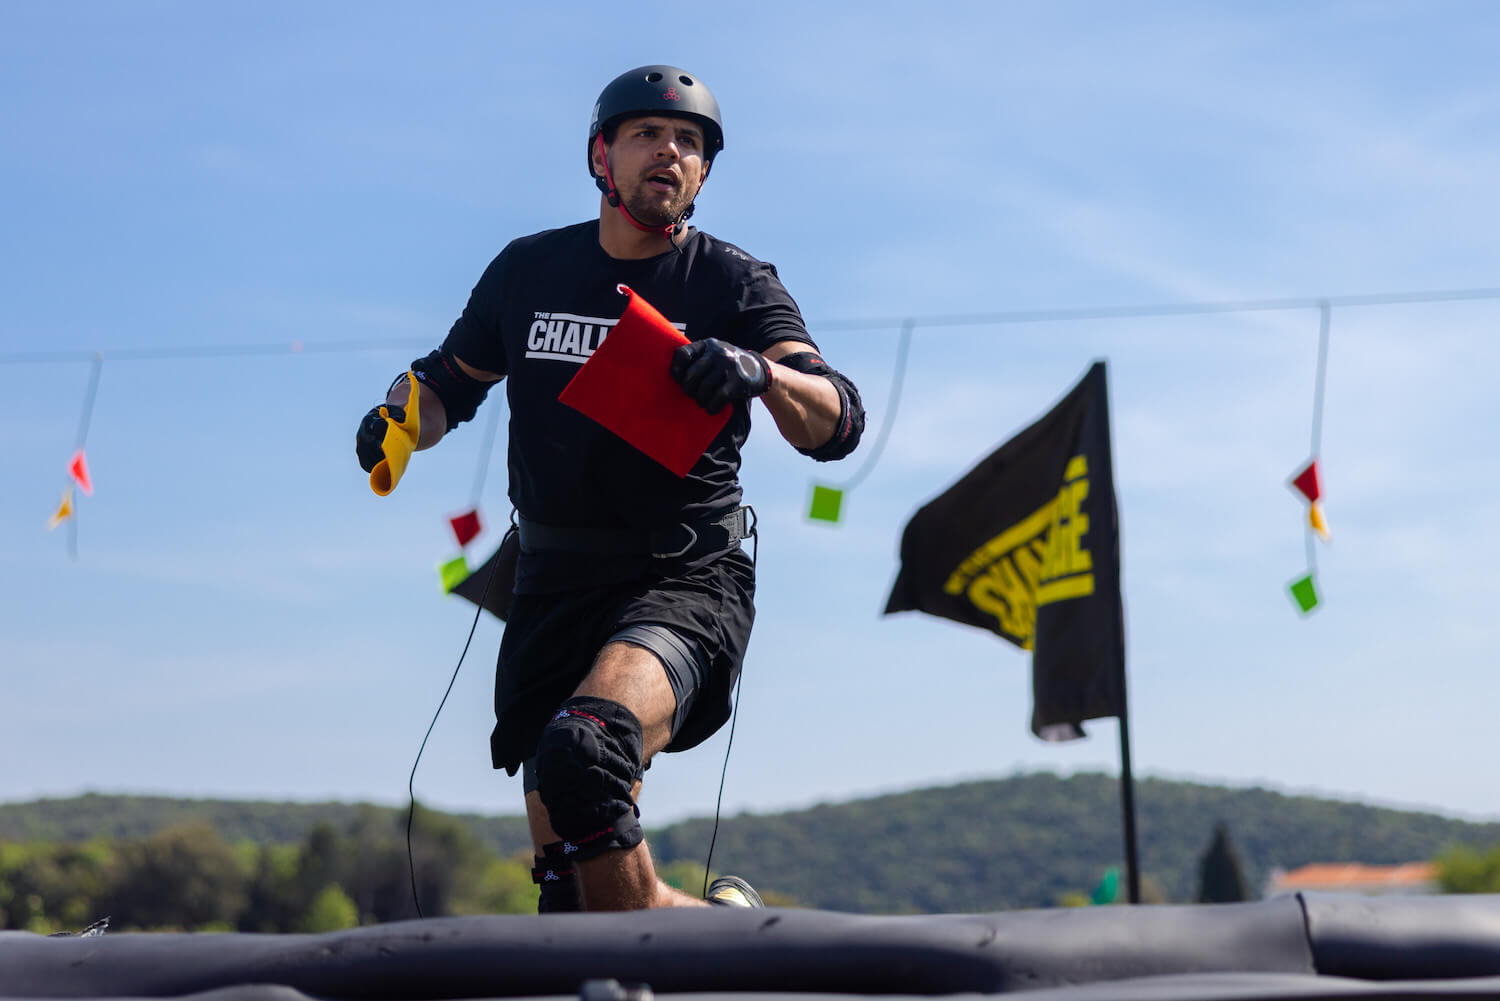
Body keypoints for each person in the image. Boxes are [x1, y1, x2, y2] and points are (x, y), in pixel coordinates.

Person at [355, 65, 864, 913]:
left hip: (682, 581)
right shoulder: (528, 270)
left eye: (690, 143)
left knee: (587, 752)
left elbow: (836, 419)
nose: (670, 150)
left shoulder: (733, 283)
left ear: (703, 173)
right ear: (602, 155)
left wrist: (758, 372)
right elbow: (450, 380)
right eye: (647, 134)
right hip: (550, 585)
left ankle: (687, 940)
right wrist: (402, 418)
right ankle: (714, 934)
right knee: (570, 890)